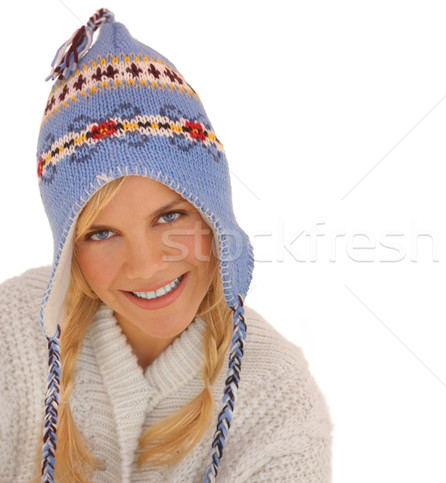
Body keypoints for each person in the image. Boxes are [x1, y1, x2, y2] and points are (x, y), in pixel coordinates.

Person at [0, 8, 332, 483]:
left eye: (170, 216)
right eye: (100, 233)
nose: (145, 265)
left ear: (213, 216)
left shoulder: (275, 394)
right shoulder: (12, 333)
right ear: (69, 251)